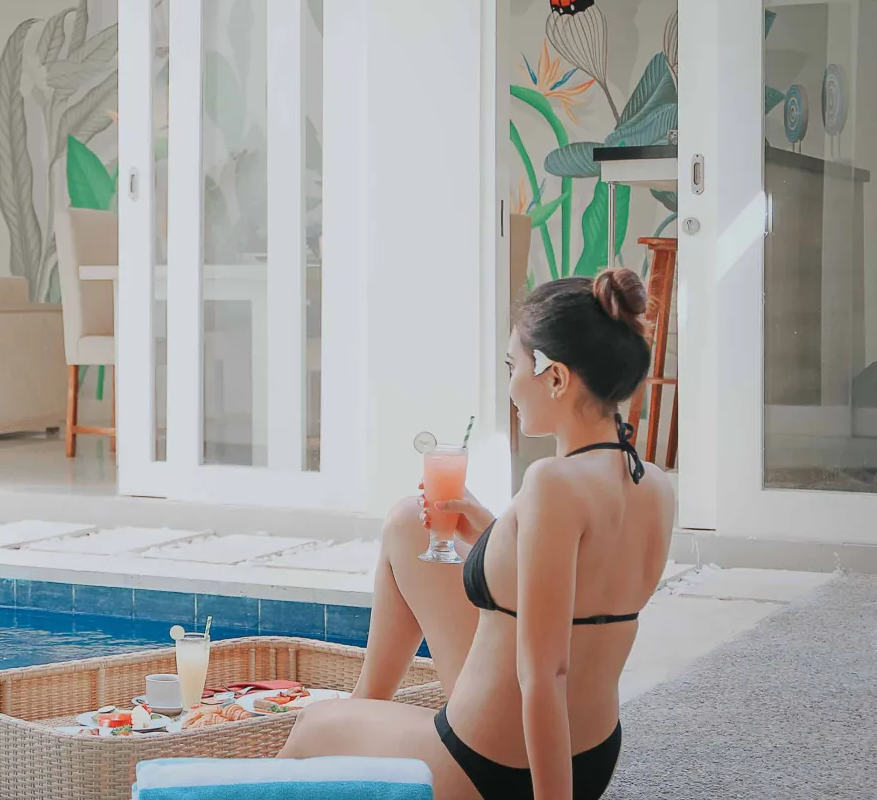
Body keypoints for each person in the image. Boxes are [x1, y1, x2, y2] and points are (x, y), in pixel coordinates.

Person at [280, 268, 675, 800]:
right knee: (406, 526)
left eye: (514, 366)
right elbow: (582, 587)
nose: (510, 386)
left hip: (496, 767)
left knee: (311, 729)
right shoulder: (653, 484)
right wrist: (491, 530)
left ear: (555, 378)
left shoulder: (551, 484)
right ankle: (367, 713)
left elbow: (546, 676)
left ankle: (356, 730)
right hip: (594, 751)